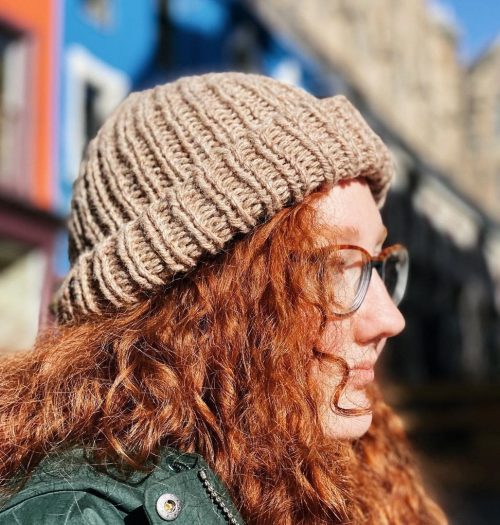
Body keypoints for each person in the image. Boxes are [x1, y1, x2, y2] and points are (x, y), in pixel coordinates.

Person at [0, 73, 447, 524]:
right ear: (195, 306)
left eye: (374, 263)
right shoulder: (78, 513)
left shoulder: (332, 473)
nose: (390, 318)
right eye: (328, 267)